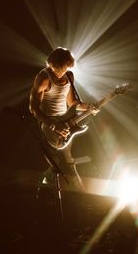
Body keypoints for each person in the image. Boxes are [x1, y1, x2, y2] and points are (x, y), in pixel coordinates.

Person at [29, 47, 98, 191]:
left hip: (65, 123)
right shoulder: (43, 78)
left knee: (65, 161)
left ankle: (46, 185)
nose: (62, 72)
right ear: (51, 65)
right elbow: (33, 108)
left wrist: (89, 107)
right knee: (62, 162)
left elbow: (72, 103)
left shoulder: (69, 76)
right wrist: (53, 125)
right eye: (59, 69)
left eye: (65, 68)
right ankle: (79, 193)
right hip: (48, 125)